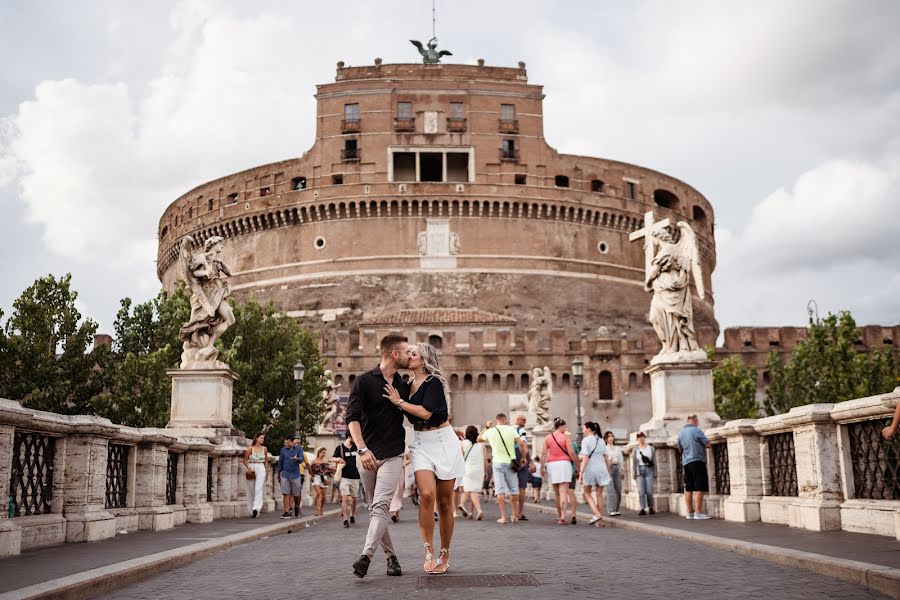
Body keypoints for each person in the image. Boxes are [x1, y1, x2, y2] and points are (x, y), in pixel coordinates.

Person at [384, 342, 465, 574]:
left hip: (443, 441)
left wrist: (398, 402)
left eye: (413, 353)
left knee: (444, 503)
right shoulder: (406, 384)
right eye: (408, 353)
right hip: (421, 443)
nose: (409, 356)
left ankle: (445, 551)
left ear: (425, 359)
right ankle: (428, 550)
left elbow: (426, 412)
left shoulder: (434, 383)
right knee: (427, 495)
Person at [346, 334, 411, 579]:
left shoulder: (403, 385)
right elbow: (351, 418)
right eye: (406, 352)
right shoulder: (363, 382)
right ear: (394, 354)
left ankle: (366, 556)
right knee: (377, 509)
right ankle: (391, 557)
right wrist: (362, 449)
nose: (408, 356)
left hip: (393, 453)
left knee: (381, 505)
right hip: (366, 455)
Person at [478, 413, 528, 524]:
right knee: (513, 490)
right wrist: (523, 457)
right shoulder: (511, 429)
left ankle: (503, 517)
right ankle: (514, 516)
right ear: (505, 420)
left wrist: (487, 427)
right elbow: (521, 444)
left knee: (500, 490)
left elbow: (478, 439)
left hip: (497, 463)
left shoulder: (491, 431)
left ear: (496, 421)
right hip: (511, 462)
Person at [541, 417, 579, 525]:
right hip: (564, 464)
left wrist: (542, 467)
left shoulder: (548, 437)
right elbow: (571, 453)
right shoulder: (565, 437)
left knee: (557, 493)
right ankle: (563, 517)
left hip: (552, 465)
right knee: (563, 492)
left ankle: (559, 515)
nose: (566, 428)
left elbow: (544, 454)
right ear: (560, 426)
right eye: (565, 426)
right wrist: (577, 465)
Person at [677, 415, 712, 520]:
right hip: (697, 461)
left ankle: (690, 513)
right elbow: (708, 444)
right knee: (699, 487)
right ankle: (698, 513)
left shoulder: (680, 433)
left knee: (688, 488)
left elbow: (679, 449)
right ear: (695, 421)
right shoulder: (697, 431)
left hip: (686, 463)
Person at [579, 422, 611, 526]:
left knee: (586, 493)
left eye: (584, 428)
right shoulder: (601, 440)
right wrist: (608, 470)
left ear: (588, 429)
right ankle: (600, 522)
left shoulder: (585, 440)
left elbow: (585, 457)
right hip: (602, 468)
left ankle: (597, 514)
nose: (583, 430)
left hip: (591, 469)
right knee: (599, 494)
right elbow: (606, 457)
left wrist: (580, 472)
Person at [458, 425, 486, 520]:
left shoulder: (463, 443)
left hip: (467, 470)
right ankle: (470, 512)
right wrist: (486, 472)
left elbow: (460, 458)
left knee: (470, 490)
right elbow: (485, 460)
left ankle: (477, 510)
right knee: (473, 490)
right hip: (479, 470)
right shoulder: (482, 445)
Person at [334, 436, 361, 528]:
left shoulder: (357, 447)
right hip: (344, 477)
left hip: (356, 477)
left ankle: (352, 515)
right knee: (345, 498)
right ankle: (345, 519)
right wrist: (338, 459)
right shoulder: (340, 448)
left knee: (354, 499)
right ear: (350, 437)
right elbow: (332, 458)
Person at [242, 432, 269, 518]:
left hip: (261, 468)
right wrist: (248, 467)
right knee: (251, 489)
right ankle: (251, 508)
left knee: (258, 489)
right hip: (252, 467)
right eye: (261, 438)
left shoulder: (264, 449)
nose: (262, 440)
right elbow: (245, 461)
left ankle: (256, 508)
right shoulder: (250, 449)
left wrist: (267, 472)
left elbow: (266, 461)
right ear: (256, 438)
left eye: (263, 438)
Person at [277, 437, 304, 519]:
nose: (286, 445)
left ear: (292, 442)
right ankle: (286, 511)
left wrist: (297, 459)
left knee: (296, 493)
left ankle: (296, 506)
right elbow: (280, 462)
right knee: (286, 493)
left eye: (288, 443)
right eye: (285, 443)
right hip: (285, 474)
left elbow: (302, 459)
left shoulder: (299, 449)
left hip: (295, 474)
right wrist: (278, 473)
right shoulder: (283, 450)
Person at [633, 432, 656, 515]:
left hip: (649, 470)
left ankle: (651, 507)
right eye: (639, 437)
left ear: (644, 438)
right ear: (637, 439)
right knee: (641, 491)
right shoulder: (635, 449)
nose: (641, 439)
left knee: (649, 491)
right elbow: (634, 463)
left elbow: (654, 461)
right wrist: (634, 474)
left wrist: (655, 472)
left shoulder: (651, 448)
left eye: (642, 437)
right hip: (640, 470)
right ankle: (642, 508)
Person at [514, 414, 531, 521]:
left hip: (511, 457)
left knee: (512, 485)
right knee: (522, 486)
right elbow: (523, 445)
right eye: (523, 420)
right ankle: (519, 512)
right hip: (520, 455)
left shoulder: (510, 430)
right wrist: (527, 458)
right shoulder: (522, 430)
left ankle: (514, 512)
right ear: (518, 420)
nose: (525, 421)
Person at [309, 447, 334, 516]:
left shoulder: (325, 461)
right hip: (316, 477)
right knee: (318, 494)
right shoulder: (313, 461)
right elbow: (310, 470)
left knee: (323, 496)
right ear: (318, 452)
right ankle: (317, 510)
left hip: (324, 478)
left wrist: (329, 478)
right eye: (323, 453)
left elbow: (328, 471)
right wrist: (311, 476)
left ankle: (321, 509)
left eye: (325, 453)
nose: (324, 454)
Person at [604, 431, 624, 516]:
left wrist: (622, 471)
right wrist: (608, 459)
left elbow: (621, 461)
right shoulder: (604, 448)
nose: (611, 438)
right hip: (607, 468)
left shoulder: (618, 448)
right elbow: (602, 459)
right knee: (610, 490)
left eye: (612, 436)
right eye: (609, 436)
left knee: (618, 490)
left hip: (616, 468)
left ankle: (616, 509)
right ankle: (611, 510)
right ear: (606, 439)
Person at [566, 432, 581, 524]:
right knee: (571, 492)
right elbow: (577, 457)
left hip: (562, 470)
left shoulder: (559, 443)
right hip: (572, 470)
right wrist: (578, 469)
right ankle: (573, 514)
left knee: (561, 493)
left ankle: (561, 515)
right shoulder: (574, 444)